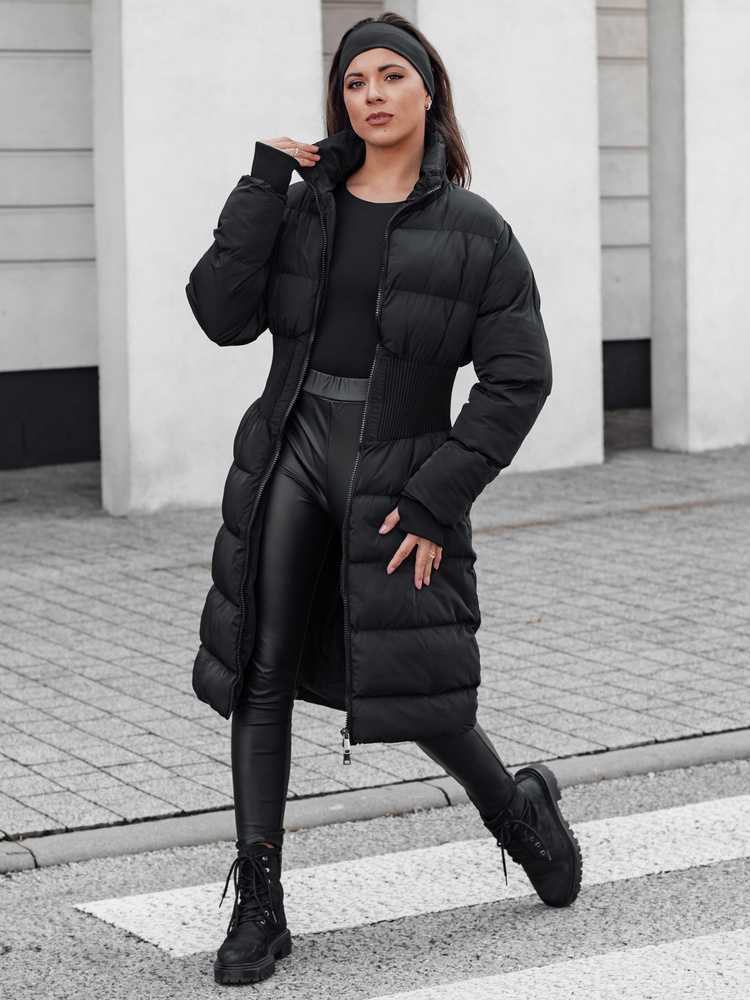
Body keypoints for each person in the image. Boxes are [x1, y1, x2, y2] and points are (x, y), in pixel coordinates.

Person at [186, 12, 582, 986]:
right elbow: (219, 314)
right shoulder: (302, 207)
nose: (372, 94)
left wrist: (440, 496)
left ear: (427, 90)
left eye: (390, 76)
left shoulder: (474, 230)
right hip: (291, 449)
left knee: (419, 691)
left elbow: (518, 377)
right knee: (263, 669)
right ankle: (261, 900)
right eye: (355, 79)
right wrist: (261, 183)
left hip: (399, 475)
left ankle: (519, 813)